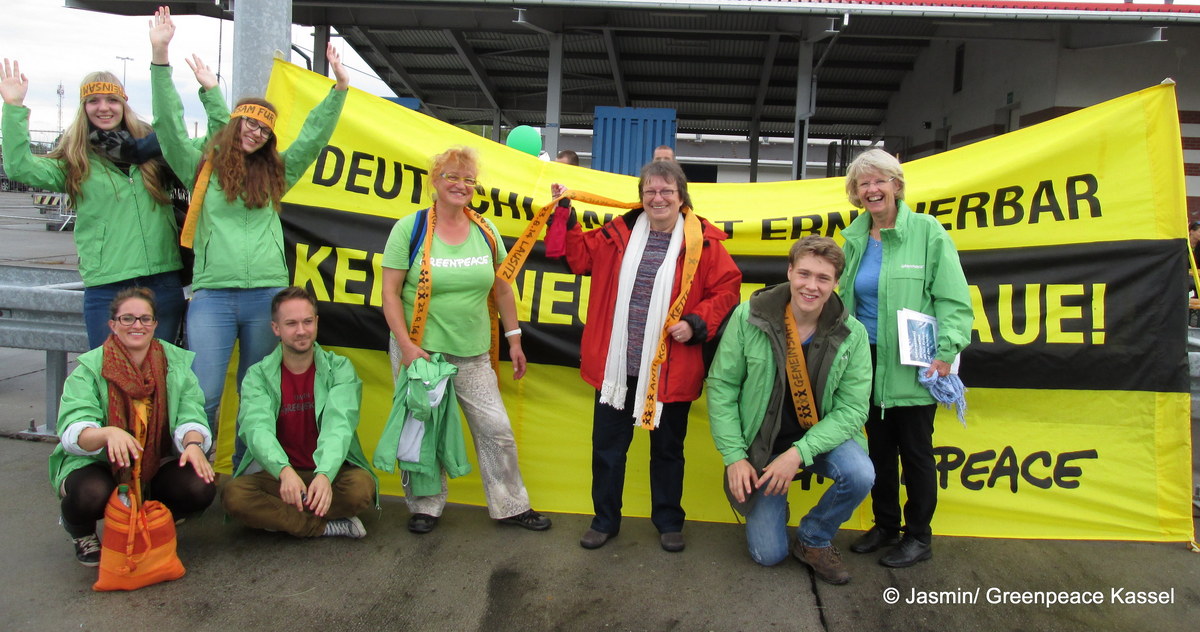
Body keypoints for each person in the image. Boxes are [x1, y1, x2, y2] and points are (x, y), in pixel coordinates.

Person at [149, 7, 349, 458]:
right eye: (248, 123)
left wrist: (339, 89)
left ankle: (247, 478)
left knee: (256, 396)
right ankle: (190, 477)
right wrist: (160, 57)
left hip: (266, 297)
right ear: (233, 124)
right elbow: (167, 125)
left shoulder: (277, 175)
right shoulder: (200, 167)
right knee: (203, 394)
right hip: (213, 298)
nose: (255, 132)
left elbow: (312, 140)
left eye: (264, 128)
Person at [552, 160, 742, 552]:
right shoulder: (616, 234)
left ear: (681, 197)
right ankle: (604, 520)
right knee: (607, 450)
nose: (658, 198)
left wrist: (695, 323)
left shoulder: (702, 241)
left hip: (671, 369)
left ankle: (669, 522)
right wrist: (564, 213)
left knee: (668, 451)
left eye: (666, 191)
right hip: (617, 370)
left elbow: (727, 289)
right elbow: (578, 258)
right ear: (641, 197)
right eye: (650, 191)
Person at [0, 56, 227, 348]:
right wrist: (14, 107)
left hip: (161, 281)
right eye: (93, 100)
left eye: (111, 99)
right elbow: (20, 166)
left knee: (161, 377)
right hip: (107, 285)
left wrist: (211, 93)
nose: (103, 107)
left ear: (124, 103)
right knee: (111, 379)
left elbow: (218, 142)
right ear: (83, 107)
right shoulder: (75, 159)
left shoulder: (158, 150)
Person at [381, 146, 552, 534]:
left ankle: (511, 505)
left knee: (496, 430)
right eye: (452, 177)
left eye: (469, 179)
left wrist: (514, 340)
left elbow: (503, 289)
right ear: (434, 182)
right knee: (420, 432)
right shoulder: (409, 229)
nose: (461, 185)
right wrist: (407, 347)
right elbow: (389, 294)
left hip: (473, 354)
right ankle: (425, 506)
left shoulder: (486, 230)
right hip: (420, 354)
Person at [707, 236, 873, 584]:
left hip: (818, 440)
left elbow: (853, 410)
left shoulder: (852, 333)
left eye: (823, 278)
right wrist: (734, 456)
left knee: (861, 474)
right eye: (804, 274)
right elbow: (722, 387)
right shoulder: (748, 316)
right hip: (763, 446)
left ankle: (813, 538)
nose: (811, 286)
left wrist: (799, 453)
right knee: (769, 556)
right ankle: (772, 508)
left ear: (835, 283)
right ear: (789, 272)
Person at [838, 148, 973, 568]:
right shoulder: (854, 238)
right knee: (878, 448)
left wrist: (948, 351)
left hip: (916, 361)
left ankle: (918, 536)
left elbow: (953, 298)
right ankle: (885, 526)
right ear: (856, 194)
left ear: (897, 185)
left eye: (880, 181)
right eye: (864, 184)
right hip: (867, 361)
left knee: (915, 451)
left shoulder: (928, 232)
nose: (873, 190)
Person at [49, 287, 215, 566]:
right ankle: (80, 529)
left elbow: (191, 414)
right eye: (128, 319)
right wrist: (108, 433)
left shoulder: (175, 364)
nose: (137, 325)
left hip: (153, 464)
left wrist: (194, 445)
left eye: (145, 319)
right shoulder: (89, 368)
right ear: (113, 325)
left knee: (200, 484)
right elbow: (72, 431)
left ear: (155, 325)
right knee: (91, 493)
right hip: (98, 464)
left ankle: (150, 519)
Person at [222, 287, 377, 538]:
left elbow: (339, 426)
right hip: (280, 475)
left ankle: (284, 519)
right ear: (276, 328)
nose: (301, 331)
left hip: (330, 471)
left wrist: (325, 474)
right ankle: (324, 526)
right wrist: (284, 472)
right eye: (291, 324)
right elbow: (256, 430)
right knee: (234, 495)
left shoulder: (339, 368)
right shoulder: (257, 376)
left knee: (360, 489)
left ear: (316, 322)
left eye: (307, 321)